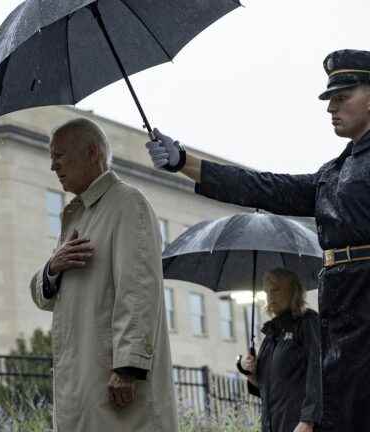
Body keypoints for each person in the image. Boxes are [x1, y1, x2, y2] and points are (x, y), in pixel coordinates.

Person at [144, 49, 370, 431]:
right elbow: (266, 187)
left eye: (343, 97)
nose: (331, 107)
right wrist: (185, 161)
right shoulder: (333, 172)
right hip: (342, 302)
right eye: (330, 99)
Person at [30, 118, 178, 431]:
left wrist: (129, 367)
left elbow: (138, 288)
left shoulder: (127, 204)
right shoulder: (76, 216)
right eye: (51, 158)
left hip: (116, 387)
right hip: (83, 385)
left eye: (60, 156)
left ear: (93, 152)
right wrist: (52, 268)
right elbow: (41, 297)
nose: (53, 167)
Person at [239, 268, 321, 432]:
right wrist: (249, 371)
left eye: (276, 289)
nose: (270, 295)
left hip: (299, 425)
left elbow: (317, 370)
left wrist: (308, 420)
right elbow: (265, 387)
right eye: (267, 291)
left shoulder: (307, 322)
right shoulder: (271, 333)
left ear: (293, 292)